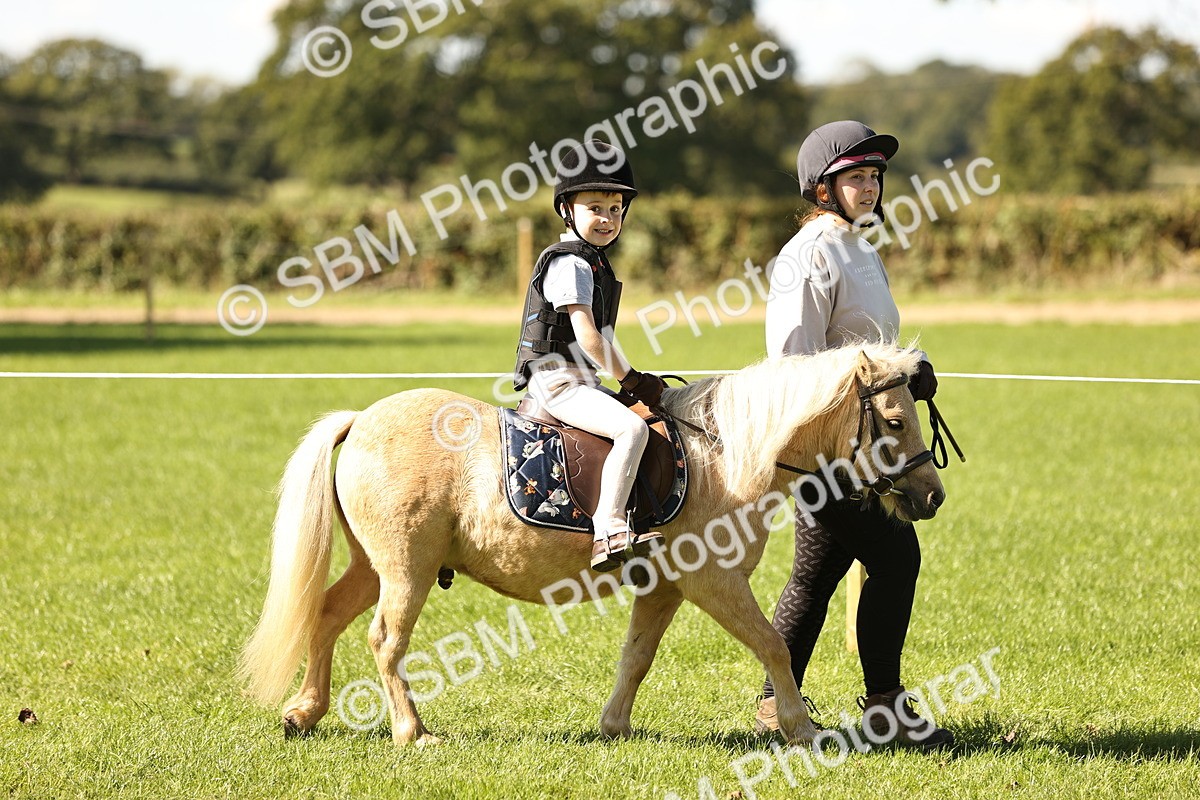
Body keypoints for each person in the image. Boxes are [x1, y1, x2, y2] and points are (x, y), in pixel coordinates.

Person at [757, 120, 953, 748]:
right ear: (823, 188)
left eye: (874, 176)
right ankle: (884, 710)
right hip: (829, 447)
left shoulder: (859, 246)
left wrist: (910, 368)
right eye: (855, 177)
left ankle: (775, 704)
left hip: (866, 444)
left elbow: (871, 345)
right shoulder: (809, 254)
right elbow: (794, 360)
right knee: (896, 558)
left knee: (817, 573)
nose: (869, 187)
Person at [512, 139, 666, 572]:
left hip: (579, 380)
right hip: (559, 383)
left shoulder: (592, 262)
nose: (607, 219)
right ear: (567, 209)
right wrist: (632, 378)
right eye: (595, 208)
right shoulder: (572, 264)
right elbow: (590, 339)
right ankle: (609, 529)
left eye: (615, 209)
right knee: (631, 430)